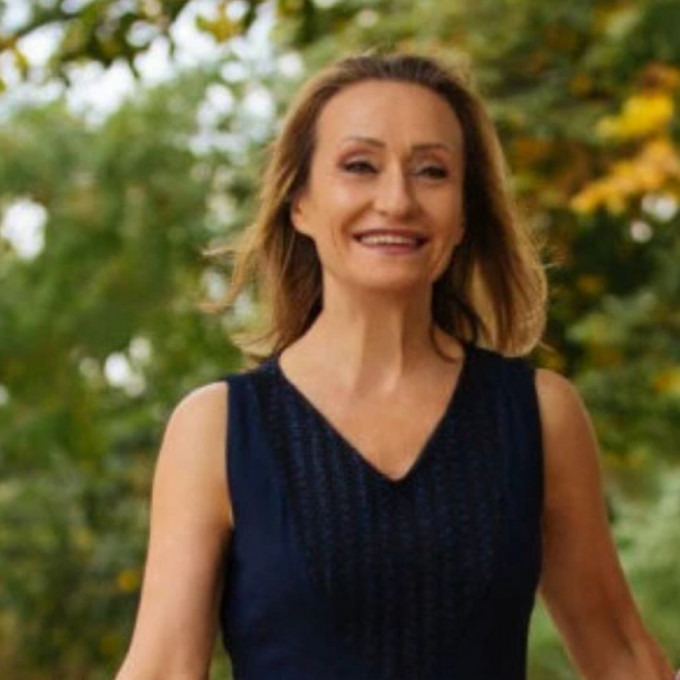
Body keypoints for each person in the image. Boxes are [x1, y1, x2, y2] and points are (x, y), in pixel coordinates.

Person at [114, 52, 677, 679]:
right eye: (359, 166)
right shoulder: (217, 429)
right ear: (300, 203)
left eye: (432, 171)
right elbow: (162, 667)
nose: (397, 200)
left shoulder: (541, 415)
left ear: (463, 215)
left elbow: (622, 655)